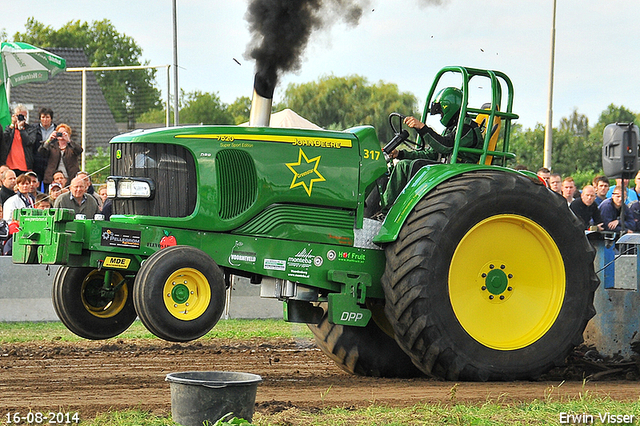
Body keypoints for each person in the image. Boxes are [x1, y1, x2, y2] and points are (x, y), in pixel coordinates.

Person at [381, 87, 483, 211]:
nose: (441, 116)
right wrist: (400, 154)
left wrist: (423, 128)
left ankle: (386, 211)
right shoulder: (453, 129)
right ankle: (384, 208)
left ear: (449, 107)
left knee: (406, 166)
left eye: (441, 112)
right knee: (393, 168)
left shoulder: (467, 129)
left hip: (458, 171)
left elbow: (446, 146)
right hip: (446, 169)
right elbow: (431, 154)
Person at [39, 124, 82, 192]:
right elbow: (41, 152)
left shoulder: (72, 147)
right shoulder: (52, 146)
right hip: (53, 178)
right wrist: (49, 139)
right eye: (59, 133)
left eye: (64, 133)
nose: (61, 135)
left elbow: (79, 150)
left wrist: (69, 141)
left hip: (70, 177)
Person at [1, 104, 36, 176]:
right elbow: (4, 140)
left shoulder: (31, 129)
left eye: (23, 116)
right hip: (10, 166)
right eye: (19, 115)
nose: (21, 118)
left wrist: (21, 129)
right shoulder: (10, 128)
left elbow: (29, 141)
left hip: (25, 167)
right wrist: (12, 125)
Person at [32, 107, 56, 186]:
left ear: (51, 118)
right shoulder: (34, 129)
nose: (45, 119)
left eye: (47, 117)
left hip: (51, 162)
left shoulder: (56, 130)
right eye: (43, 117)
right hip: (37, 162)